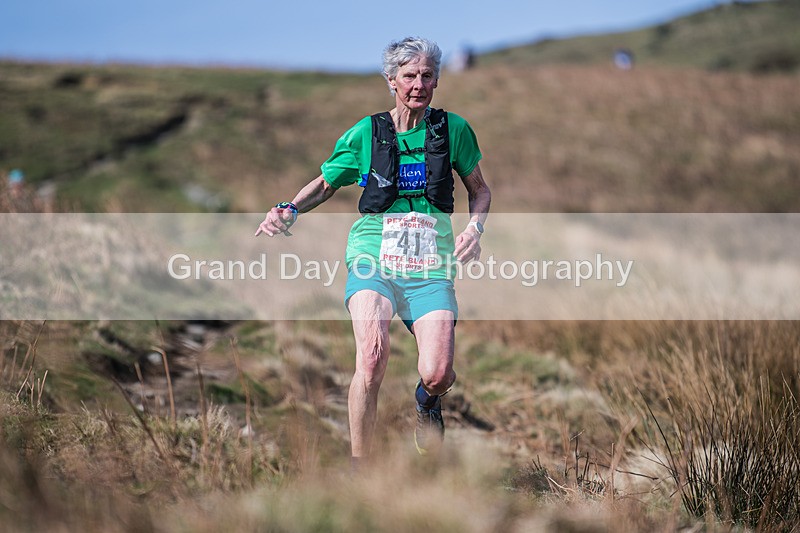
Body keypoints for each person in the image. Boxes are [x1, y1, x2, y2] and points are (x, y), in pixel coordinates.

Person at [255, 37, 491, 467]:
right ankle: (360, 467)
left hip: (430, 267)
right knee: (373, 356)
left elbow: (480, 190)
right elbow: (326, 184)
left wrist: (475, 228)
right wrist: (289, 208)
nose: (418, 84)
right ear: (391, 80)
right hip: (373, 260)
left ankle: (427, 403)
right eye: (409, 76)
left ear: (436, 80)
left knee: (438, 374)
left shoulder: (453, 129)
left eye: (426, 75)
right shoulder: (367, 133)